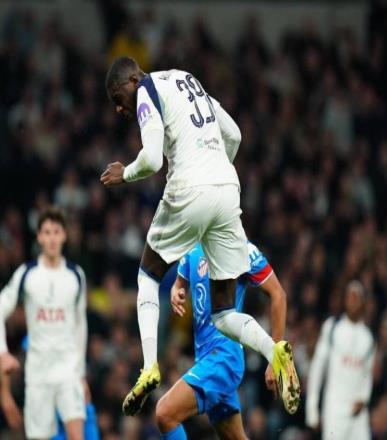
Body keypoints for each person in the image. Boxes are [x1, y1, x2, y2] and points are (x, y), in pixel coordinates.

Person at [100, 56, 300, 415]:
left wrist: (124, 173)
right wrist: (215, 174)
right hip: (227, 189)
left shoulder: (146, 89)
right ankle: (274, 350)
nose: (118, 108)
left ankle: (149, 367)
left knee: (147, 276)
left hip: (190, 188)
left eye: (118, 97)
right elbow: (234, 134)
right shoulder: (185, 79)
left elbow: (152, 160)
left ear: (132, 79)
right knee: (223, 313)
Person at [156, 241, 286, 439]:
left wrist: (274, 357)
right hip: (205, 358)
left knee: (165, 414)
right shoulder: (192, 247)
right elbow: (179, 283)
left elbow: (278, 294)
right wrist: (176, 291)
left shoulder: (241, 248)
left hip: (224, 358)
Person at [0, 207, 88, 440]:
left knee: (77, 436)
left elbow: (80, 325)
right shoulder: (27, 274)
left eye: (56, 232)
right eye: (47, 232)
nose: (52, 238)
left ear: (64, 235)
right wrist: (2, 353)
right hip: (37, 372)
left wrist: (80, 373)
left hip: (68, 369)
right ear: (39, 237)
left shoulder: (76, 275)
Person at [306, 280, 375, 440]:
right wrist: (312, 409)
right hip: (335, 408)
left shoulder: (368, 337)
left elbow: (367, 373)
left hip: (358, 413)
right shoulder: (332, 327)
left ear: (363, 302)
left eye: (356, 297)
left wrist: (364, 397)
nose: (352, 301)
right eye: (349, 297)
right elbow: (317, 368)